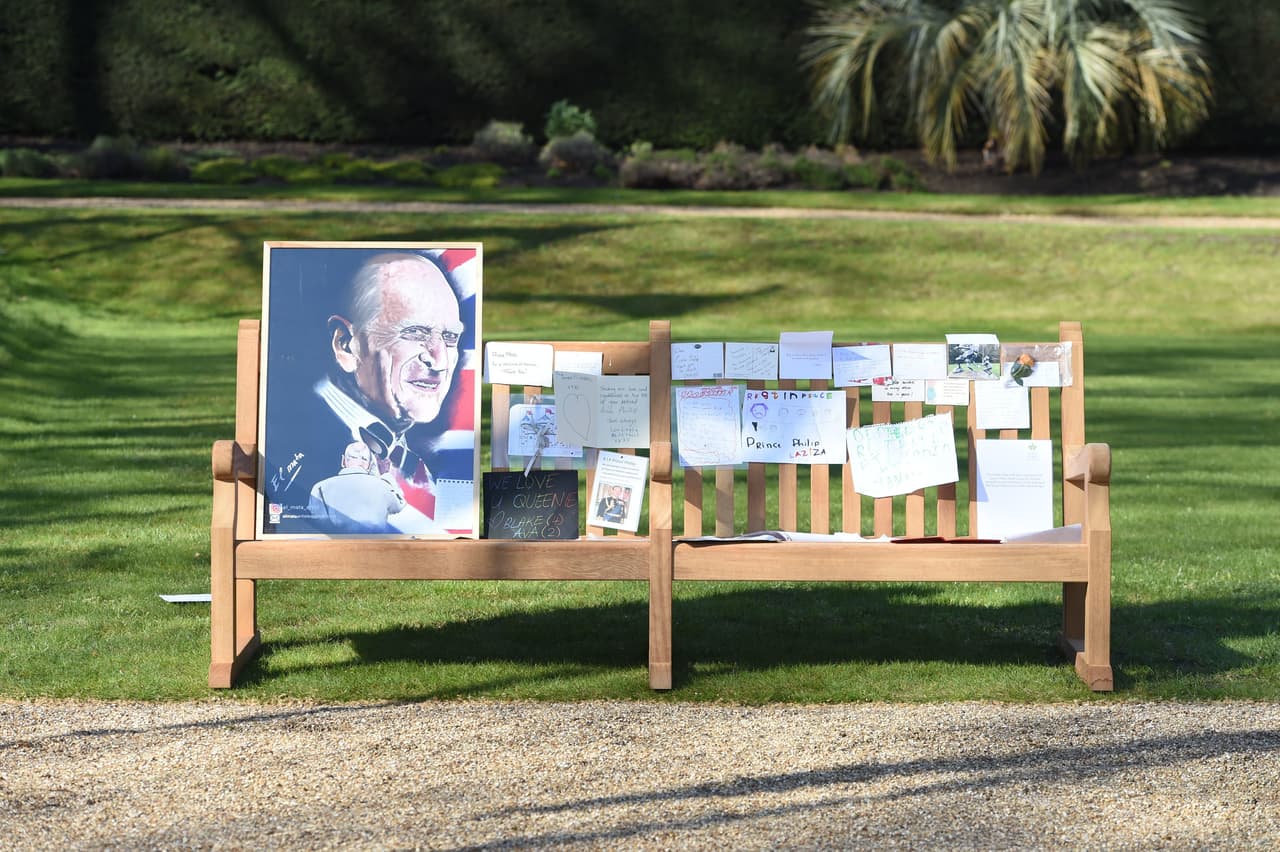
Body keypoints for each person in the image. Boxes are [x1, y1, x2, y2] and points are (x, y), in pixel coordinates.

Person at [265, 250, 473, 534]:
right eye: (415, 333)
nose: (439, 361)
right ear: (347, 345)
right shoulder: (296, 443)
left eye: (449, 338)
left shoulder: (411, 454)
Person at [307, 441, 406, 533]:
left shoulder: (319, 488)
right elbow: (399, 505)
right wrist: (385, 475)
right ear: (369, 465)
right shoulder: (383, 486)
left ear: (343, 461)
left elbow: (319, 524)